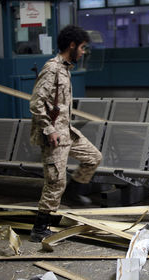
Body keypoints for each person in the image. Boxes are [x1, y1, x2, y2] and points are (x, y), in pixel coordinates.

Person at [29, 25, 102, 243]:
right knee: (55, 182)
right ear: (71, 45)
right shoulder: (52, 69)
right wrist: (49, 129)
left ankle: (72, 191)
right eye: (82, 47)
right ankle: (40, 228)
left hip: (67, 132)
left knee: (93, 157)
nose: (83, 52)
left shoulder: (65, 69)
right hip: (54, 137)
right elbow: (36, 103)